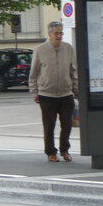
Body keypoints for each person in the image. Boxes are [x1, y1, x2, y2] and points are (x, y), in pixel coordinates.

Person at [29, 21, 77, 163]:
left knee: (67, 124)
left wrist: (76, 90)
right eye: (56, 33)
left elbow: (73, 71)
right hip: (47, 94)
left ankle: (64, 149)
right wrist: (34, 91)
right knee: (49, 125)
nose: (59, 36)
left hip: (66, 93)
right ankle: (51, 152)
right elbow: (33, 73)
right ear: (49, 34)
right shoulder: (40, 50)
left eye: (61, 33)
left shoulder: (68, 48)